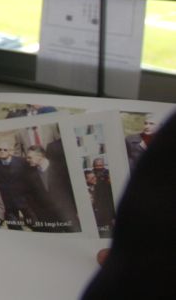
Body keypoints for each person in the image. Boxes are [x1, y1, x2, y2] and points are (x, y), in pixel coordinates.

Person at [81, 113, 176, 299]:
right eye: (146, 122)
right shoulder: (132, 141)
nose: (147, 126)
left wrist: (130, 261)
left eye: (152, 123)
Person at [24, 145, 80, 232]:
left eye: (29, 157)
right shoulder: (31, 176)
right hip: (49, 221)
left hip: (68, 215)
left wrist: (78, 210)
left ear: (40, 156)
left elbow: (72, 190)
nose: (27, 160)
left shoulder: (61, 168)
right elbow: (31, 199)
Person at [0, 140, 33, 229]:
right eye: (0, 149)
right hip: (7, 202)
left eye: (5, 149)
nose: (2, 151)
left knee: (34, 224)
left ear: (10, 151)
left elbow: (28, 180)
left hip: (24, 201)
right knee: (14, 228)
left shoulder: (22, 161)